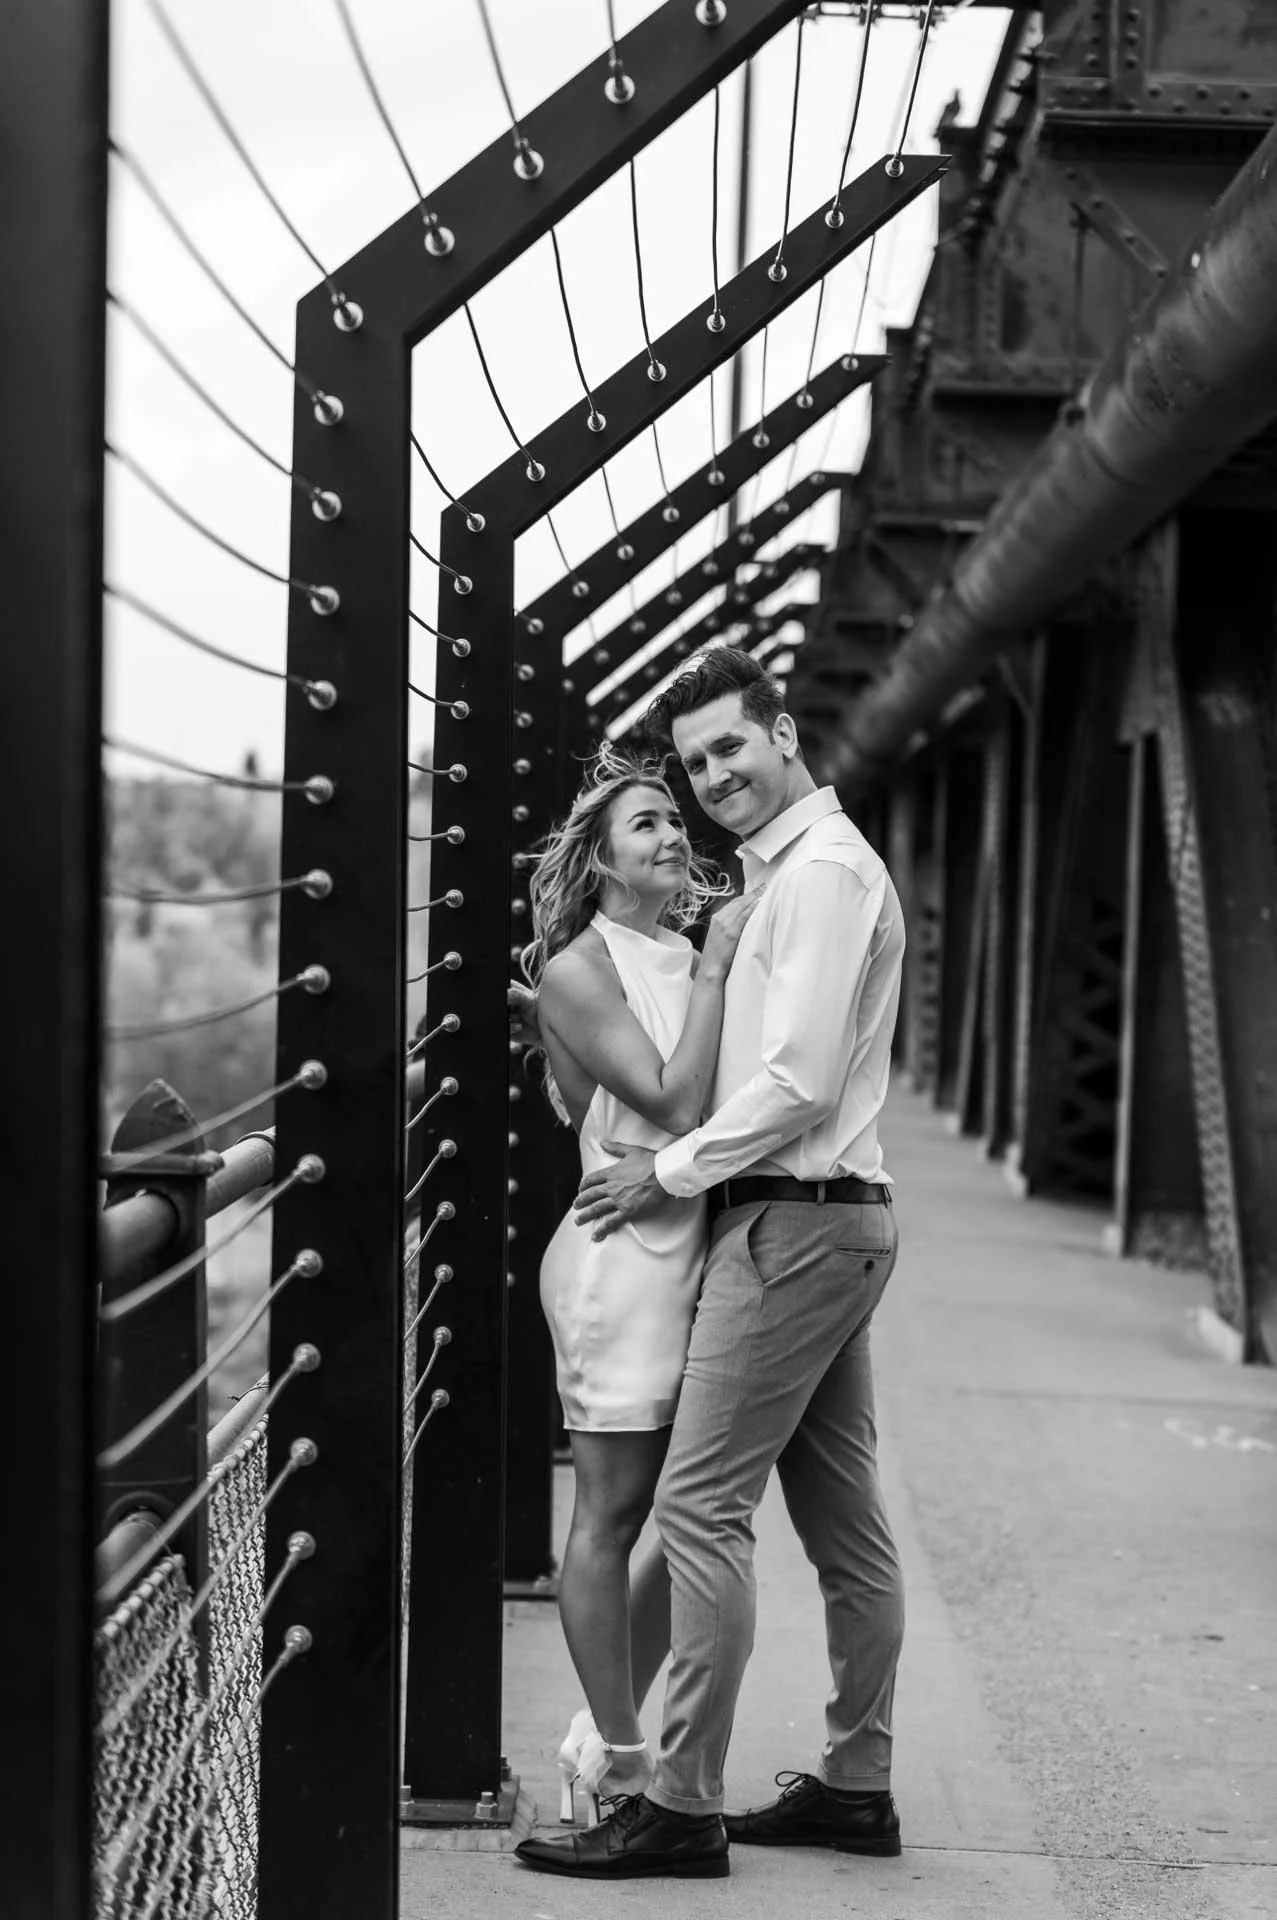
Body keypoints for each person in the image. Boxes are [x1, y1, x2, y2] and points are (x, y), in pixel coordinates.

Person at [516, 643, 907, 1883]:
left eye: (729, 746)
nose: (711, 776)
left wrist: (670, 1174)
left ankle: (676, 1805)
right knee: (842, 1524)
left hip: (790, 1224)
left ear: (784, 733)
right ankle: (855, 1783)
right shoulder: (770, 884)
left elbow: (786, 1082)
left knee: (692, 1509)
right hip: (817, 1222)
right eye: (691, 765)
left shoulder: (824, 878)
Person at [519, 743, 759, 1824]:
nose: (674, 835)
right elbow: (669, 1103)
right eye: (646, 825)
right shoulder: (580, 966)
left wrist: (709, 963)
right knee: (612, 1513)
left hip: (689, 1243)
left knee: (691, 1504)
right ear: (604, 863)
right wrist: (714, 966)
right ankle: (620, 1748)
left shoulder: (670, 948)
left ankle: (602, 1728)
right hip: (619, 1256)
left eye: (675, 817)